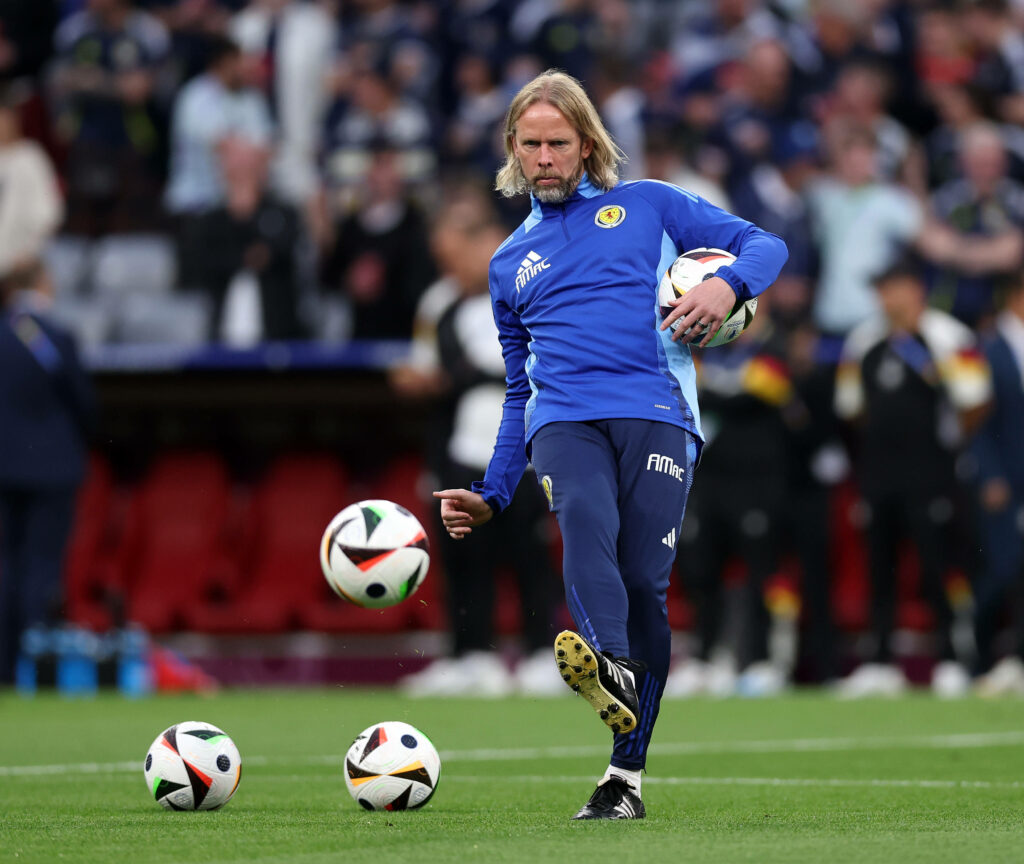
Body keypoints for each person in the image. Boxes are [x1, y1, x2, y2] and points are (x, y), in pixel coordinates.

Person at [433, 70, 787, 820]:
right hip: (563, 419)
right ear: (513, 150)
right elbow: (519, 390)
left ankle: (625, 776)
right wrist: (495, 490)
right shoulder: (508, 264)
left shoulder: (650, 204)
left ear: (587, 146)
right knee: (584, 518)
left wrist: (728, 287)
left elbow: (766, 245)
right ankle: (612, 664)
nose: (545, 158)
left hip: (659, 410)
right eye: (531, 144)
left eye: (559, 143)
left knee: (644, 583)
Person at [394, 204, 561, 697]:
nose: (450, 267)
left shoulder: (531, 289)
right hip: (463, 448)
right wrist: (420, 381)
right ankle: (469, 657)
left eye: (455, 255)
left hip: (526, 450)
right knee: (465, 557)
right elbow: (426, 365)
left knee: (529, 556)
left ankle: (541, 655)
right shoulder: (438, 302)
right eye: (442, 258)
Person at [834, 257, 991, 698]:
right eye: (881, 289)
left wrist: (948, 446)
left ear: (916, 289)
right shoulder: (863, 340)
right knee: (879, 567)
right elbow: (852, 408)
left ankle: (952, 660)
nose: (888, 298)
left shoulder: (948, 337)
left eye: (895, 287)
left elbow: (976, 401)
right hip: (879, 473)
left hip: (932, 472)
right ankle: (880, 662)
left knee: (937, 565)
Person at [0, 261, 96, 684]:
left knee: (7, 565)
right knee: (41, 567)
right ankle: (34, 670)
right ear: (40, 282)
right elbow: (85, 405)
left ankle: (5, 667)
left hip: (4, 470)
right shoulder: (54, 337)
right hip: (52, 470)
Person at [971, 271, 1024, 695]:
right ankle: (981, 660)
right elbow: (976, 418)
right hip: (1004, 479)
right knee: (1001, 570)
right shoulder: (986, 347)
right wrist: (988, 473)